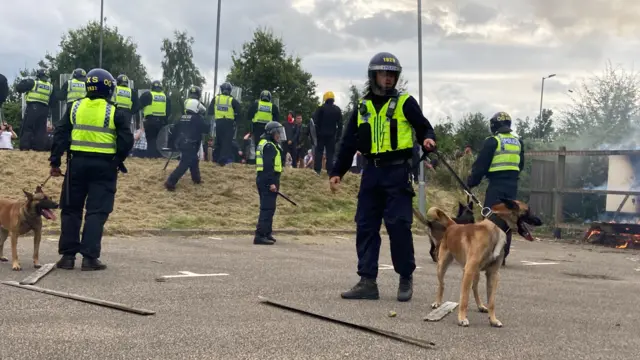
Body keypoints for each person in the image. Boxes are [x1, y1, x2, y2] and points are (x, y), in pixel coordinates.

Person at [329, 52, 436, 302]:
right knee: (365, 225)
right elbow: (347, 143)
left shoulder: (405, 102)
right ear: (373, 76)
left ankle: (405, 277)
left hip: (397, 172)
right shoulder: (362, 106)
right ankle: (367, 281)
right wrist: (337, 172)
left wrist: (428, 138)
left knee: (398, 225)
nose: (388, 79)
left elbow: (423, 126)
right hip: (371, 172)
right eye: (383, 74)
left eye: (392, 75)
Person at [49, 68, 134, 271]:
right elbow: (126, 140)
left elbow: (60, 134)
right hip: (104, 167)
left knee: (70, 209)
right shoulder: (115, 111)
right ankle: (89, 258)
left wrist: (55, 162)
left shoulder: (74, 107)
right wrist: (118, 159)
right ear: (109, 89)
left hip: (76, 165)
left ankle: (67, 257)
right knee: (96, 211)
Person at [466, 111, 524, 267]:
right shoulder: (518, 142)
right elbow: (521, 165)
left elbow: (481, 166)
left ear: (493, 126)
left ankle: (487, 254)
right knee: (508, 220)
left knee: (491, 219)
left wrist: (471, 182)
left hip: (496, 185)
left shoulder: (493, 141)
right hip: (512, 186)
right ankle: (502, 256)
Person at [164, 98, 209, 191]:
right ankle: (170, 182)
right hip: (191, 144)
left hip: (181, 143)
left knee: (194, 160)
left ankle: (196, 179)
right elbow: (206, 129)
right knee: (185, 164)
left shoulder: (181, 117)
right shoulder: (197, 118)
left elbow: (173, 130)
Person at [254, 121, 286, 245]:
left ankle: (267, 232)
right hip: (268, 179)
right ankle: (260, 235)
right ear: (272, 133)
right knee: (267, 208)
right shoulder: (269, 146)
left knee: (270, 208)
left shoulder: (268, 143)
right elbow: (268, 166)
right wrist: (272, 183)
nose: (279, 136)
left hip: (266, 179)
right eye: (277, 133)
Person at [15, 68, 55, 151]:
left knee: (28, 127)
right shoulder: (50, 86)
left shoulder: (33, 83)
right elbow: (53, 101)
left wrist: (25, 81)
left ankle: (25, 146)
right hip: (45, 109)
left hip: (33, 107)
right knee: (41, 129)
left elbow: (19, 88)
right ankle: (39, 147)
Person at [208, 82, 240, 166]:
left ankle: (215, 159)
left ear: (221, 90)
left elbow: (210, 110)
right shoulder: (232, 100)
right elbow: (239, 111)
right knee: (226, 143)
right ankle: (222, 161)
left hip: (218, 123)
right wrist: (236, 121)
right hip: (228, 123)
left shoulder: (216, 98)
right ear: (230, 90)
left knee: (218, 141)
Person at [312, 91, 342, 175]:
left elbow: (315, 122)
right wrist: (338, 137)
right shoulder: (337, 109)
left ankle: (317, 170)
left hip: (321, 135)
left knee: (319, 152)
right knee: (330, 154)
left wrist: (315, 134)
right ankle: (329, 171)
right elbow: (340, 124)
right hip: (332, 135)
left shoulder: (321, 108)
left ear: (325, 99)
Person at [139, 80, 171, 158]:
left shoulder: (148, 95)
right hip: (162, 122)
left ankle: (151, 158)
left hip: (150, 121)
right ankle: (159, 157)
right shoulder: (165, 97)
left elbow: (139, 106)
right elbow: (168, 111)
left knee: (151, 141)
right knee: (160, 142)